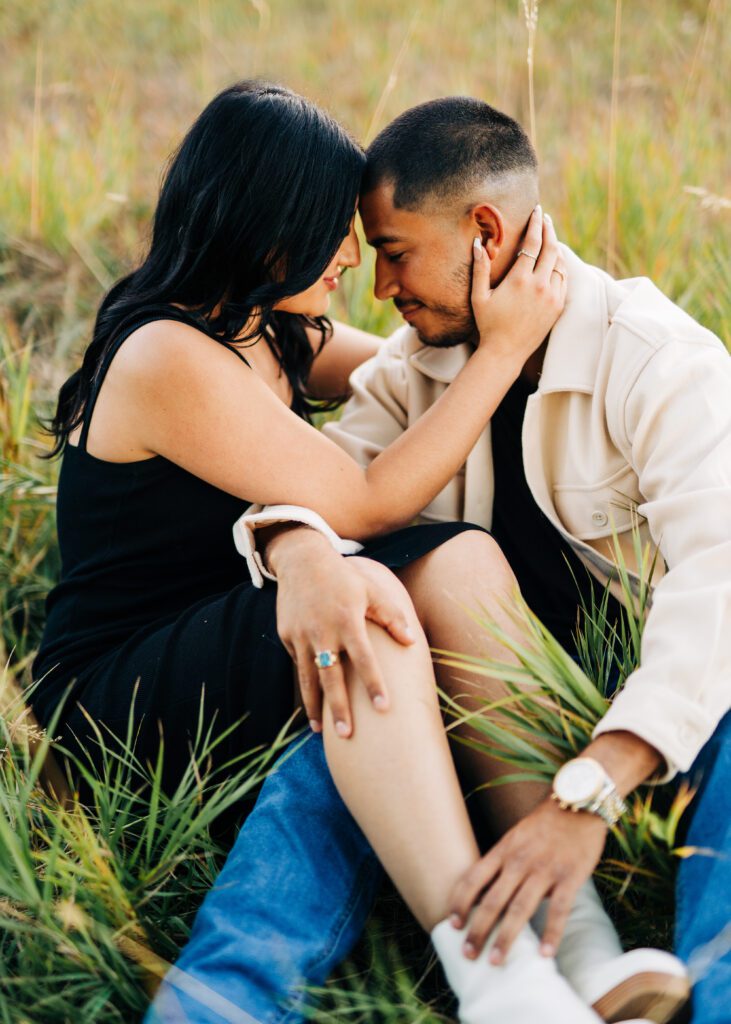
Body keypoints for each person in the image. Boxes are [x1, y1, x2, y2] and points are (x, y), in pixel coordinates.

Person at [31, 79, 625, 1024]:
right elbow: (368, 497)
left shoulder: (273, 327)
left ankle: (569, 908)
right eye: (333, 229)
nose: (355, 254)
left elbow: (409, 368)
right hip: (122, 685)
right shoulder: (167, 353)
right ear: (267, 227)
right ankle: (493, 966)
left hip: (243, 620)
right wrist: (503, 356)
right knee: (371, 602)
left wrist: (497, 293)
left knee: (460, 561)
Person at [148, 97, 730, 1024]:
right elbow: (322, 486)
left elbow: (719, 591)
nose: (379, 288)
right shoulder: (417, 365)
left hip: (652, 708)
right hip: (482, 704)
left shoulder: (658, 363)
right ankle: (218, 1008)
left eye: (395, 251)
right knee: (349, 710)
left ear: (485, 232)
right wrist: (300, 553)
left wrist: (588, 792)